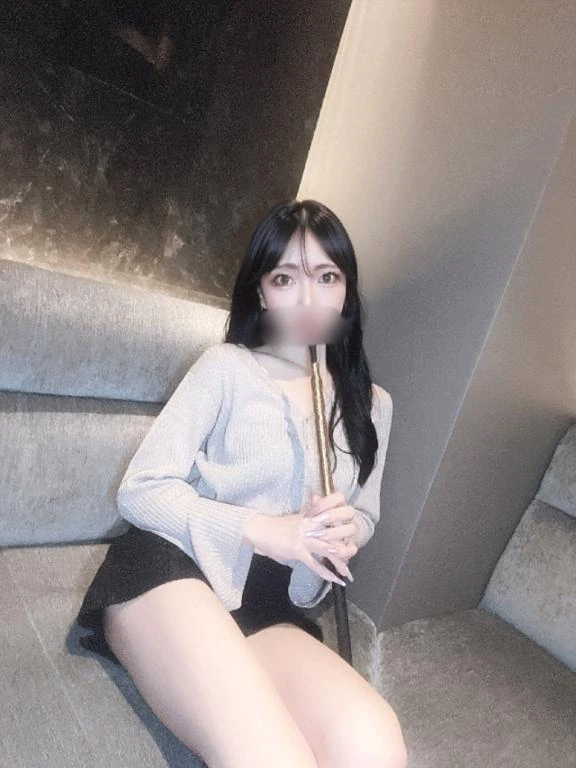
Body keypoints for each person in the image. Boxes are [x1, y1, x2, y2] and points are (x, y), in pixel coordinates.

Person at [78, 200, 407, 768]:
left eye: (326, 277)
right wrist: (261, 529)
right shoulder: (225, 368)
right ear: (261, 292)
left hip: (269, 607)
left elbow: (367, 513)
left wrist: (346, 530)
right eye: (286, 278)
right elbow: (140, 488)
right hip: (175, 570)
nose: (308, 298)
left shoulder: (372, 405)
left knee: (373, 745)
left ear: (346, 292)